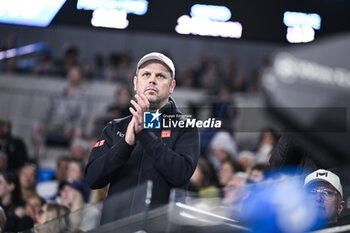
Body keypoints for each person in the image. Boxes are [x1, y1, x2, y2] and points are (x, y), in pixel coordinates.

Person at [85, 52, 200, 224]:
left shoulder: (185, 128)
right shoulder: (115, 127)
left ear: (171, 86)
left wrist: (144, 133)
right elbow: (93, 178)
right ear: (135, 82)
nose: (152, 80)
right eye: (146, 74)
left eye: (160, 76)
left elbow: (180, 174)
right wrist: (125, 144)